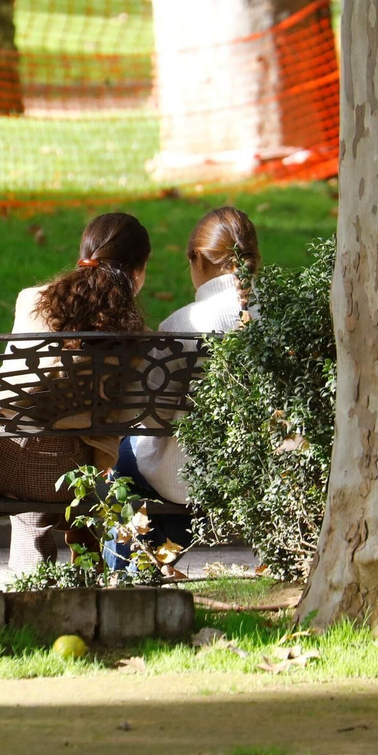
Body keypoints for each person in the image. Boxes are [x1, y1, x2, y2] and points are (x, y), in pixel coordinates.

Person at [0, 212, 152, 572]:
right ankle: (75, 571)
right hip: (62, 474)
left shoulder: (32, 300)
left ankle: (32, 579)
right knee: (62, 464)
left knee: (32, 483)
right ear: (138, 271)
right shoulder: (133, 336)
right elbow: (111, 429)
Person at [105, 206, 260, 571]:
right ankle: (156, 555)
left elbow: (150, 415)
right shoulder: (280, 315)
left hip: (188, 479)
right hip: (262, 473)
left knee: (126, 455)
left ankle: (130, 563)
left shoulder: (182, 324)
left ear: (197, 260)